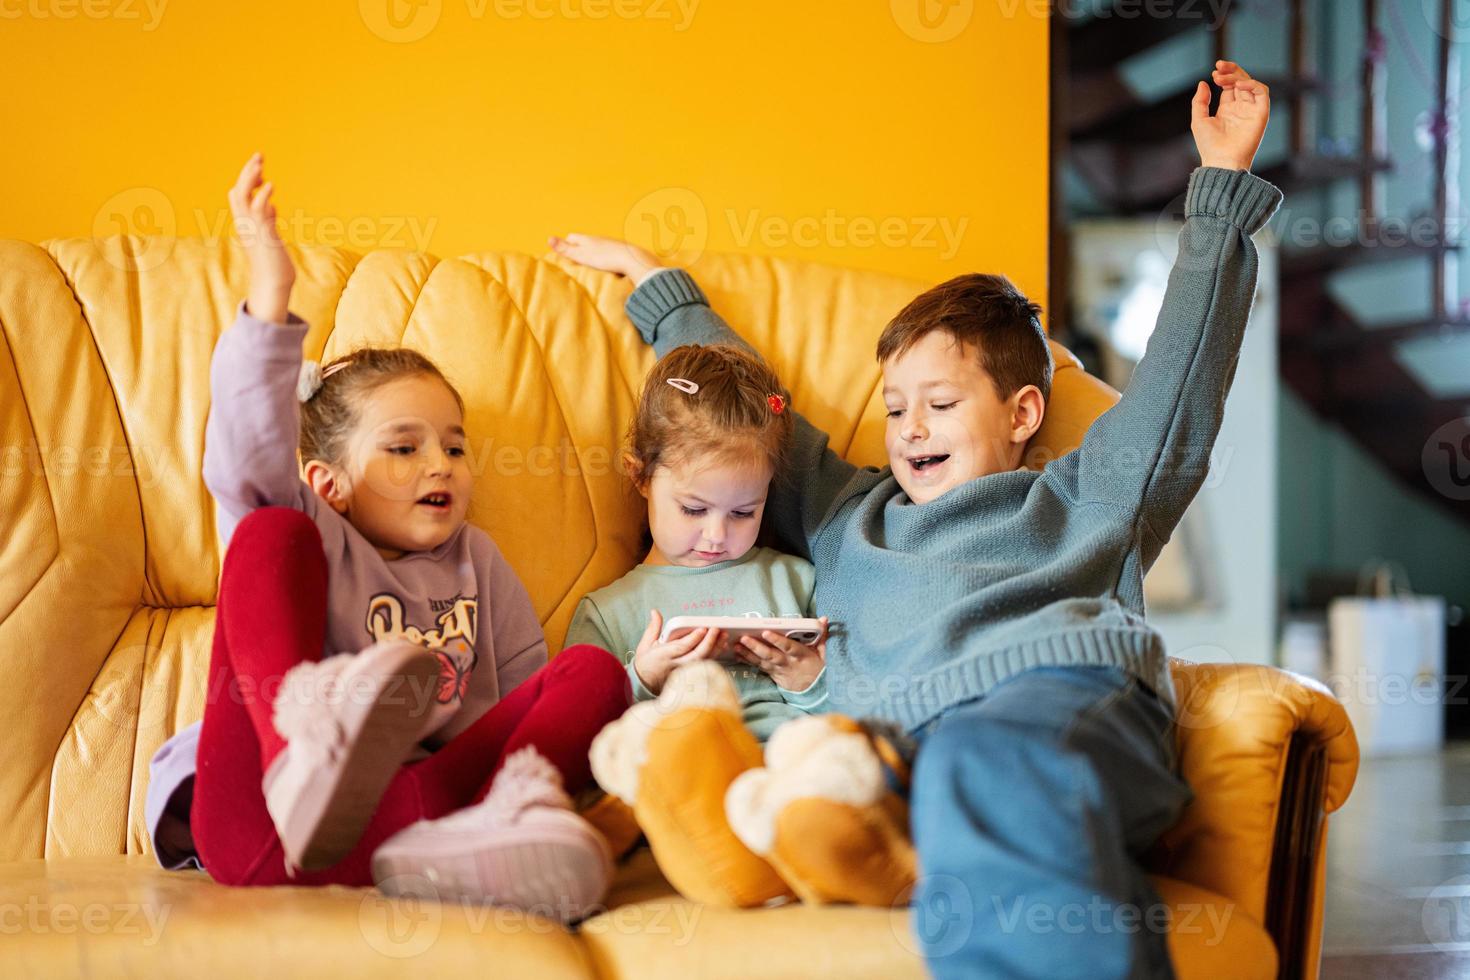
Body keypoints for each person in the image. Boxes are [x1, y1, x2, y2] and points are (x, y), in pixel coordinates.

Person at [551, 62, 1276, 975]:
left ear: (1021, 415)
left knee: (988, 770)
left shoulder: (1085, 497)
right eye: (895, 408)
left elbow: (1179, 383)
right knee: (843, 791)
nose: (909, 429)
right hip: (892, 750)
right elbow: (751, 412)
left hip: (1054, 697)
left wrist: (1219, 193)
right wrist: (664, 294)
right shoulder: (848, 513)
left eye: (938, 403)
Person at [144, 154, 630, 922]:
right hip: (264, 829)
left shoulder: (479, 562)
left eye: (455, 446)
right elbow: (245, 463)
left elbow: (518, 705)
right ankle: (297, 762)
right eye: (403, 448)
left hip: (425, 826)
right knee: (266, 535)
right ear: (328, 482)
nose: (440, 464)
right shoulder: (311, 528)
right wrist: (271, 298)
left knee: (596, 673)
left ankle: (494, 840)